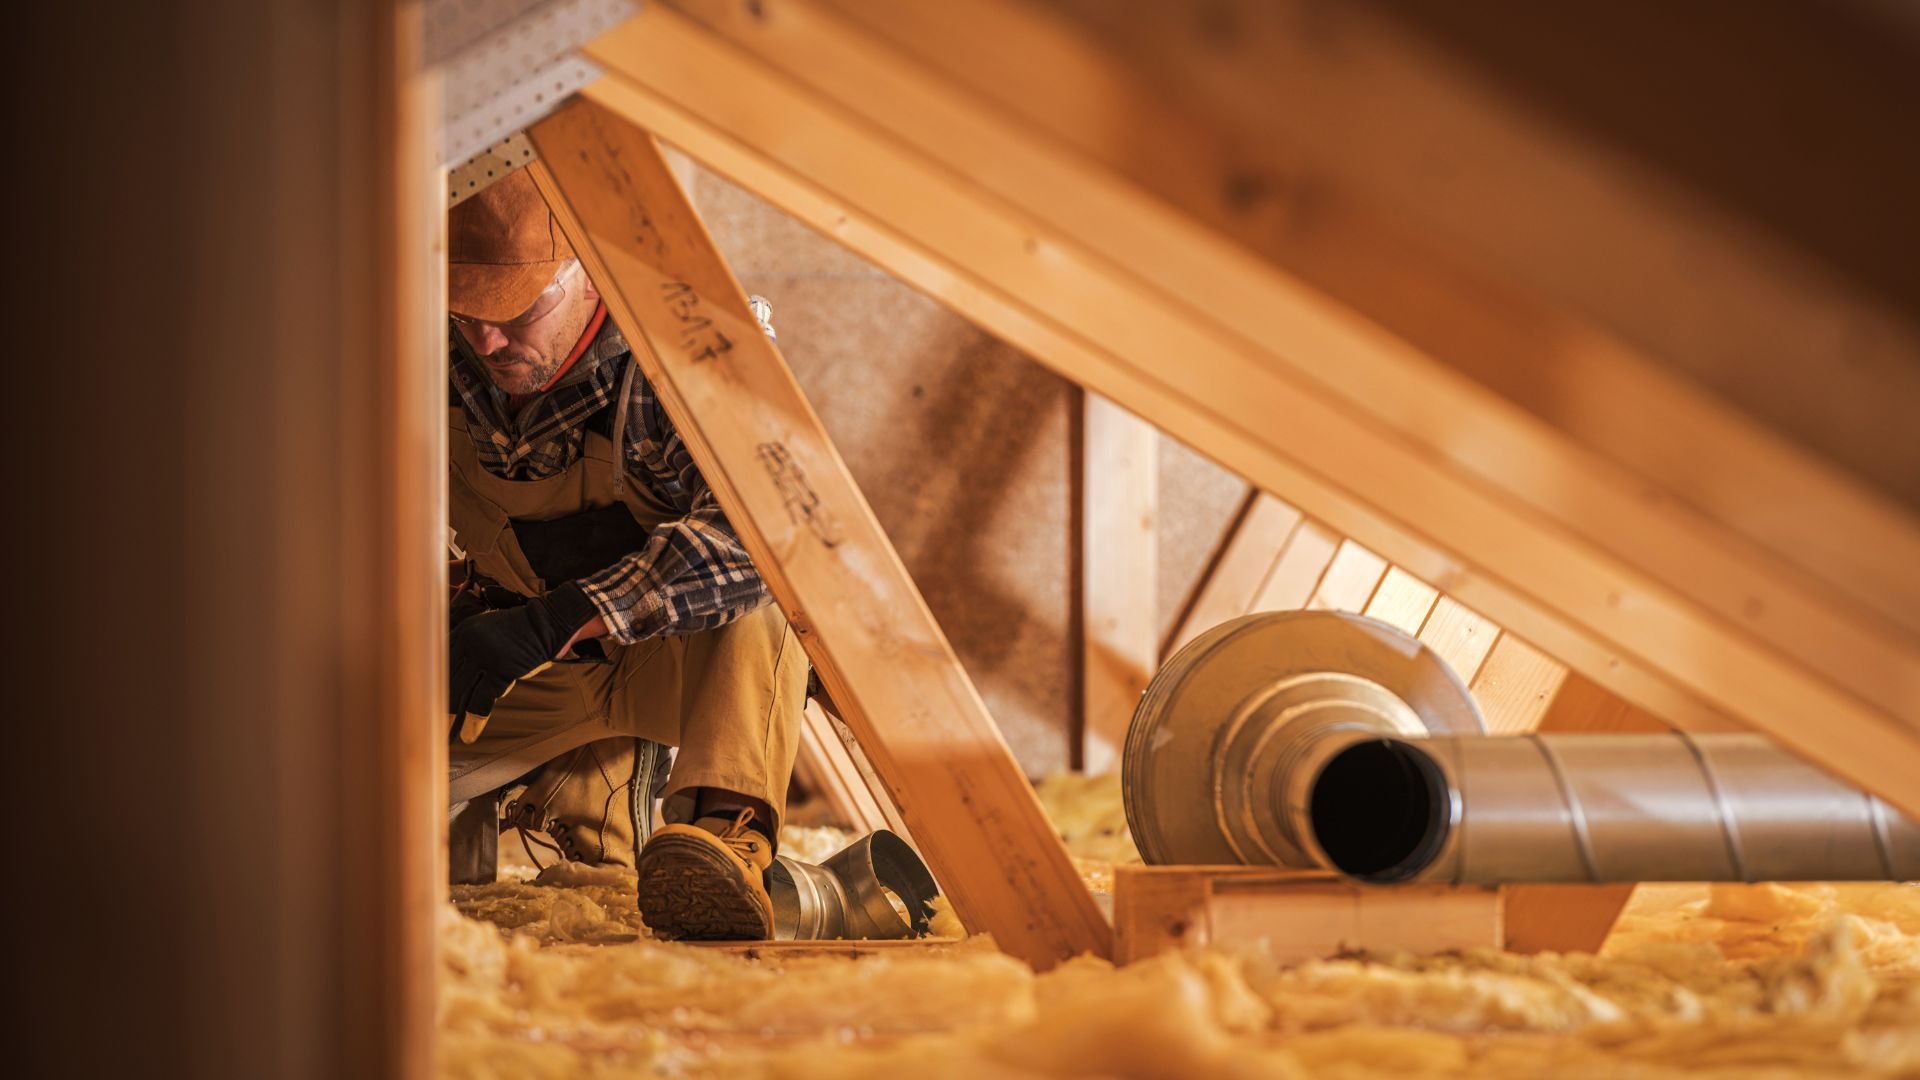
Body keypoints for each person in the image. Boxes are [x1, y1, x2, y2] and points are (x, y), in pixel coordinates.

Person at [443, 171, 806, 941]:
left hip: (678, 665)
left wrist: (563, 616)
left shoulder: (685, 345)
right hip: (526, 665)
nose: (487, 341)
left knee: (767, 587)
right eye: (466, 313)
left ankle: (721, 832)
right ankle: (592, 781)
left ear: (587, 272)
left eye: (515, 312)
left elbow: (768, 529)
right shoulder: (436, 353)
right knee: (333, 802)